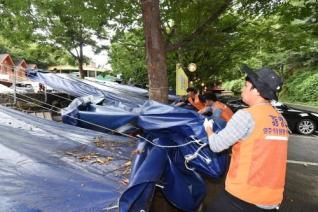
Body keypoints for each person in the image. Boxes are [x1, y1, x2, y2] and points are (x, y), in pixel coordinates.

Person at [204, 65, 289, 211]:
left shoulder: (247, 115)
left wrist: (208, 129)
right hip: (272, 199)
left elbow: (216, 145)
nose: (242, 89)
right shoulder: (280, 119)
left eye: (245, 86)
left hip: (244, 195)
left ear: (256, 91)